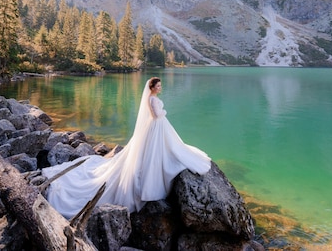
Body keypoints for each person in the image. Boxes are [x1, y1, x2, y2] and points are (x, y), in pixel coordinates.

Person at [42, 77, 211, 218]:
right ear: (152, 87)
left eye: (160, 86)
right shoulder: (151, 99)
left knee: (165, 148)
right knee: (153, 151)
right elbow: (156, 115)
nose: (160, 88)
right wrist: (164, 112)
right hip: (156, 126)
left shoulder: (152, 98)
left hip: (159, 127)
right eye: (158, 86)